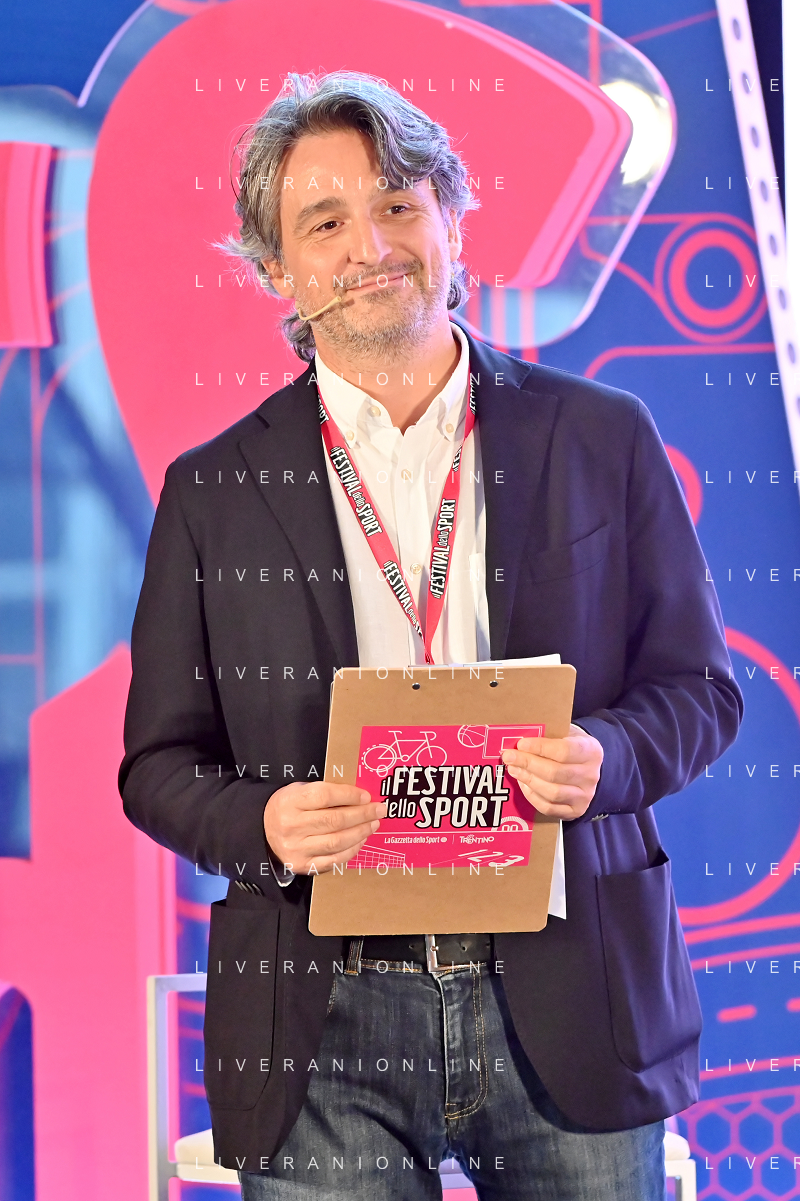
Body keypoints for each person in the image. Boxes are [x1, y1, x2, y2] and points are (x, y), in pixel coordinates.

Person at [119, 71, 743, 1200]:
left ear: (452, 218)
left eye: (399, 204)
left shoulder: (601, 436)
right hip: (320, 1015)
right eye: (325, 222)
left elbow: (700, 689)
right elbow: (158, 765)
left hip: (570, 986)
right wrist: (263, 821)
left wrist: (606, 757)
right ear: (276, 269)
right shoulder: (212, 490)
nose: (371, 245)